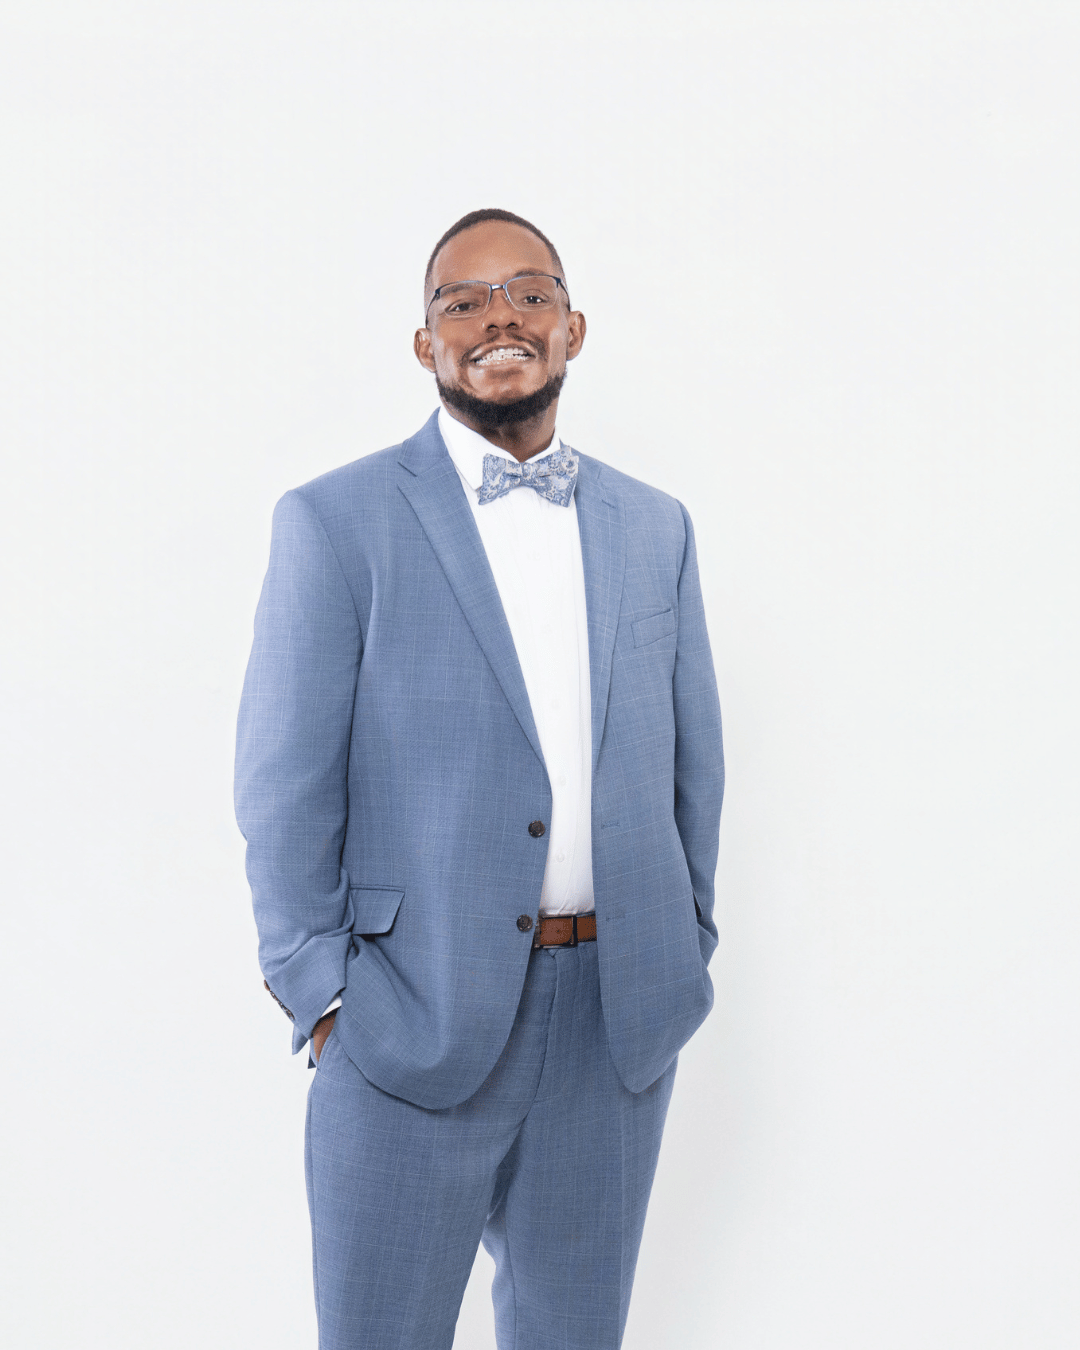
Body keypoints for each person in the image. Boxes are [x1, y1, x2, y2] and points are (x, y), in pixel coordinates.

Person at [235, 207, 725, 1350]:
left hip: (611, 1031)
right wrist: (327, 999)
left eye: (529, 294)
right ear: (426, 343)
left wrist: (681, 946)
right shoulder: (335, 523)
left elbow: (693, 770)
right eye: (463, 302)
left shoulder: (656, 528)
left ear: (573, 328)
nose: (499, 318)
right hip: (407, 1024)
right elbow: (282, 787)